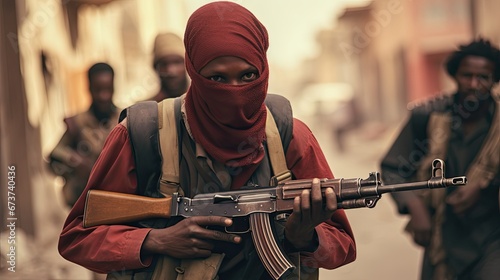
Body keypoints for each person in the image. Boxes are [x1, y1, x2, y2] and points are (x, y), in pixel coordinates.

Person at [58, 2, 356, 279]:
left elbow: (342, 245)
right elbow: (77, 236)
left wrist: (303, 234)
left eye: (248, 75)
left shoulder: (290, 136)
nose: (235, 91)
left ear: (264, 70)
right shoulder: (141, 134)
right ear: (194, 73)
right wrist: (157, 240)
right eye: (217, 78)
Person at [380, 38, 500, 280]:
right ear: (455, 76)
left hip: (491, 239)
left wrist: (485, 183)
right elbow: (393, 167)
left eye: (483, 77)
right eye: (467, 75)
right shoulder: (428, 117)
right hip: (442, 239)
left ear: (494, 80)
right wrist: (415, 208)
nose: (474, 84)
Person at [49, 62, 119, 208]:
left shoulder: (124, 119)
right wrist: (74, 160)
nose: (103, 96)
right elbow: (54, 155)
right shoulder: (77, 123)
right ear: (89, 88)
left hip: (118, 200)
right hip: (84, 203)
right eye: (98, 89)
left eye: (108, 89)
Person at [148, 32, 189, 102]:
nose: (170, 70)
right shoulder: (147, 110)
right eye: (164, 64)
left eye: (177, 62)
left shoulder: (202, 104)